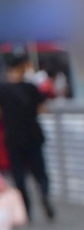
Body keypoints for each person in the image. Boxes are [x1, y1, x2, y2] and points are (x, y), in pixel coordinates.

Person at [0, 52, 55, 221]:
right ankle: (44, 193)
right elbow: (43, 108)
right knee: (40, 172)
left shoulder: (2, 90)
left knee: (18, 175)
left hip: (13, 137)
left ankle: (26, 208)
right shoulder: (31, 88)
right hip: (33, 135)